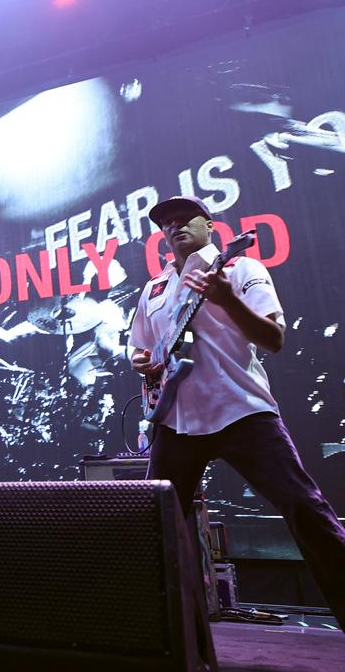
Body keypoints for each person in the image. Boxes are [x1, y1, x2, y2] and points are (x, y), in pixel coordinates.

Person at [129, 195, 345, 628]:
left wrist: (227, 300)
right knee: (156, 528)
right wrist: (143, 359)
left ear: (210, 225)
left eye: (185, 218)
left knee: (306, 510)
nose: (175, 226)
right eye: (166, 222)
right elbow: (139, 345)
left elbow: (273, 339)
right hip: (176, 420)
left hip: (241, 410)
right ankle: (165, 633)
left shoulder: (240, 269)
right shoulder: (153, 289)